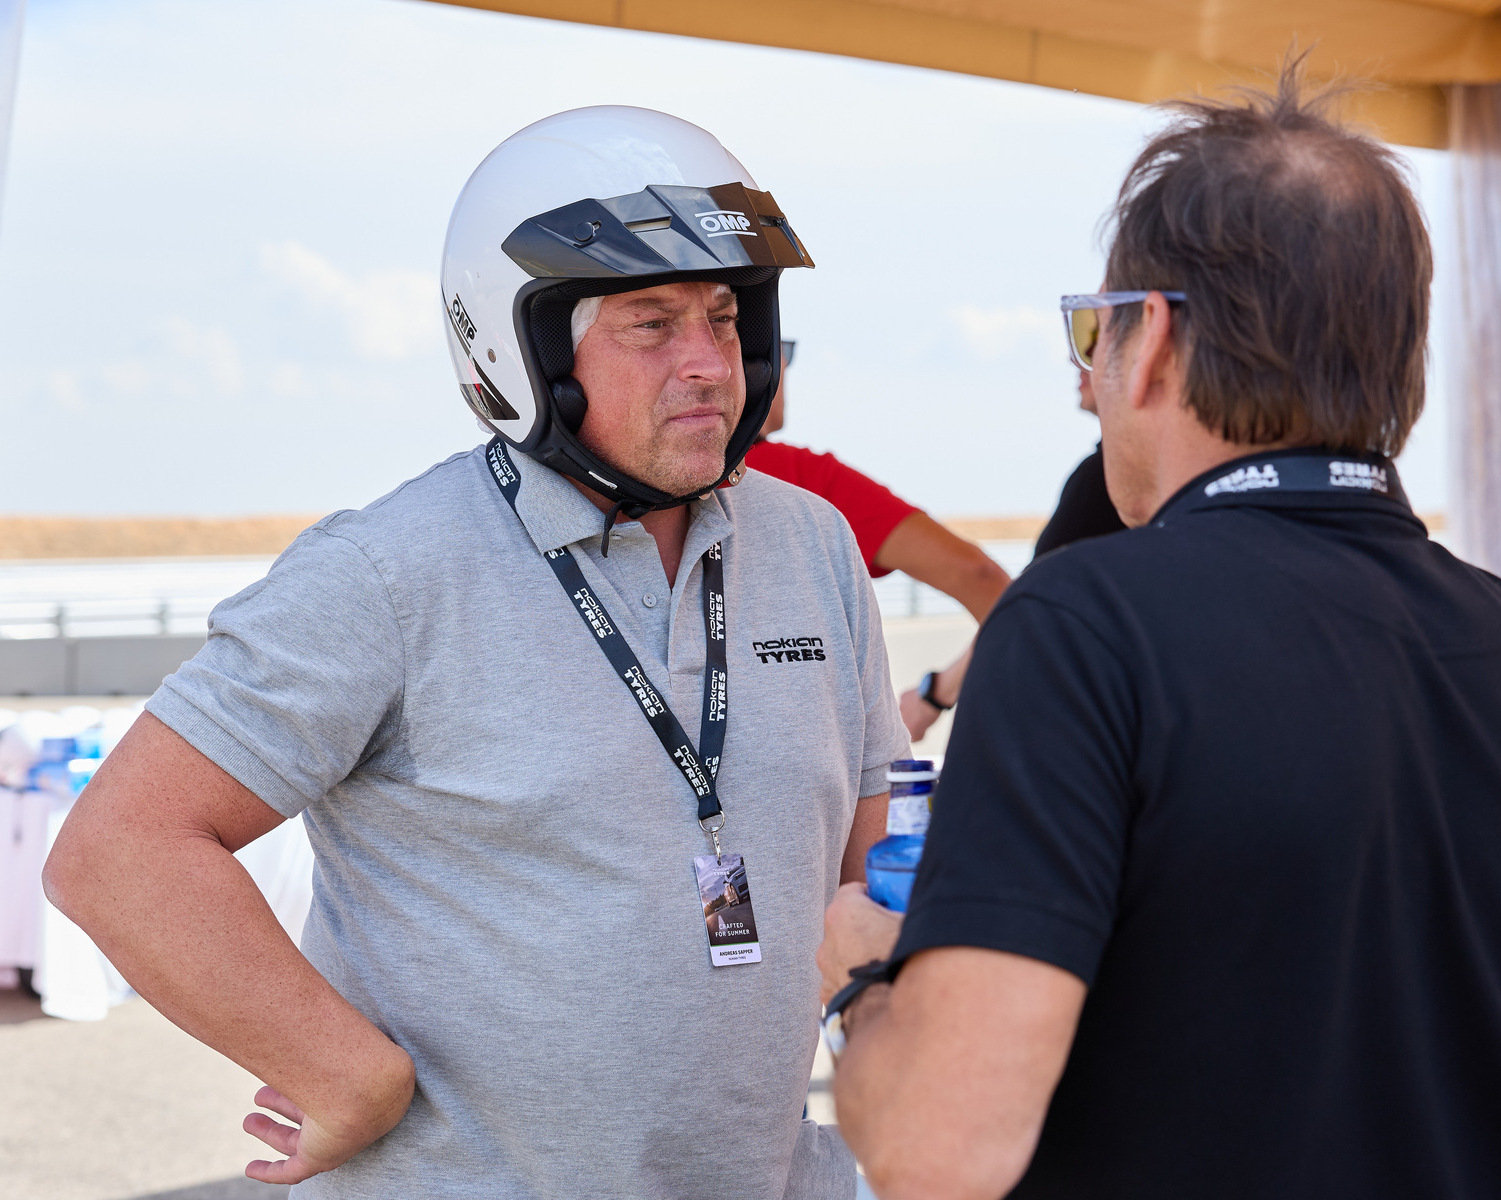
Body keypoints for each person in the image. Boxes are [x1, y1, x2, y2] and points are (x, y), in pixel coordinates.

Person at [43, 107, 907, 1199]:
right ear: (520, 347)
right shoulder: (386, 572)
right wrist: (346, 1076)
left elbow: (868, 880)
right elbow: (119, 848)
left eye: (725, 317)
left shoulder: (814, 546)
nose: (708, 364)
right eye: (650, 324)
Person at [816, 64, 1501, 1200]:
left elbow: (938, 1148)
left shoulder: (1081, 628)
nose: (1088, 379)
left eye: (1093, 332)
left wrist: (863, 984)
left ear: (1156, 339)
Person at [745, 341, 1012, 710]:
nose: (787, 365)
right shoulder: (802, 478)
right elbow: (984, 580)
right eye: (780, 348)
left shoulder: (667, 490)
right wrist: (938, 694)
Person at [899, 368, 1125, 742]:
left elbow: (1031, 604)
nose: (1076, 361)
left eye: (1093, 341)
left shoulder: (1102, 478)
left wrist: (935, 693)